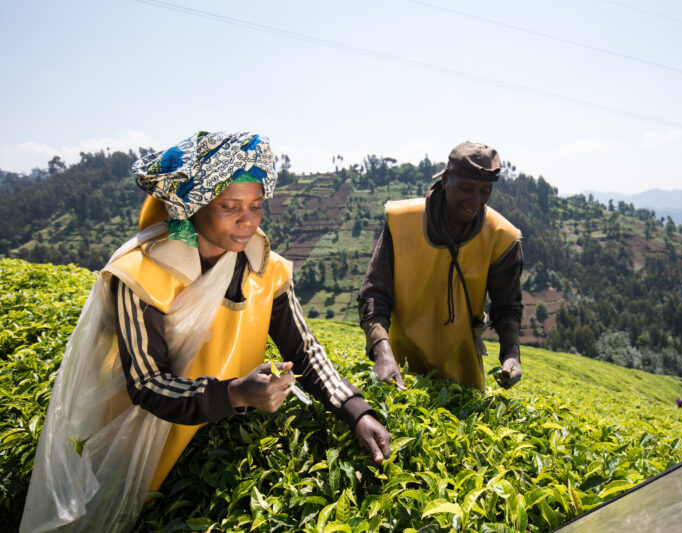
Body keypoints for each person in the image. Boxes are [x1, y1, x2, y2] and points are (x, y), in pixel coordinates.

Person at [21, 131, 391, 533]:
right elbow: (147, 384)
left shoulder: (264, 266)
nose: (247, 219)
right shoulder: (141, 274)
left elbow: (304, 351)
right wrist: (236, 393)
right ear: (194, 206)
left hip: (223, 428)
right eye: (229, 206)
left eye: (256, 205)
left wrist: (356, 412)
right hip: (145, 442)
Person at [358, 141, 524, 391]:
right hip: (399, 367)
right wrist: (382, 352)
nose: (475, 201)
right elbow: (374, 293)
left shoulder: (501, 237)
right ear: (446, 179)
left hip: (463, 375)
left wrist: (511, 354)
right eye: (466, 188)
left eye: (485, 191)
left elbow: (507, 306)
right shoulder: (403, 221)